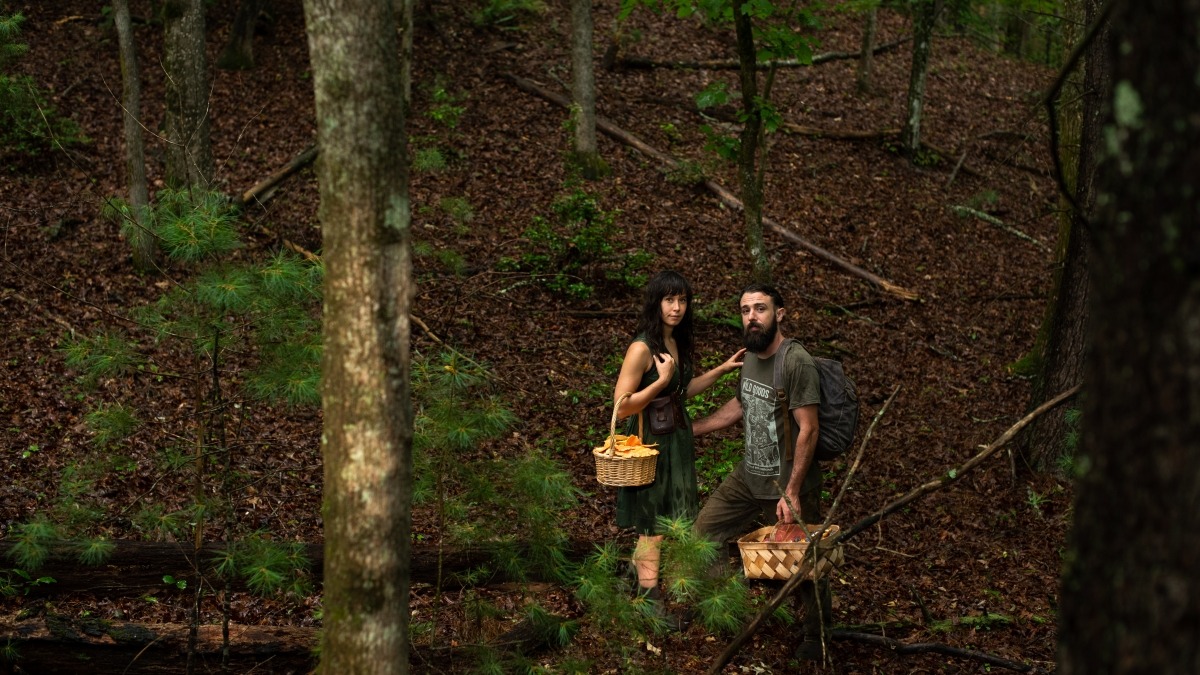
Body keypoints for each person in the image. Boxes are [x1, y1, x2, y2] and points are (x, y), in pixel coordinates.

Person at [691, 283, 833, 660]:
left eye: (760, 309)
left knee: (805, 565)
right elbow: (739, 405)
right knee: (703, 535)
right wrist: (692, 429)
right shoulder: (751, 355)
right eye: (745, 310)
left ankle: (816, 635)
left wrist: (794, 491)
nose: (751, 317)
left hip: (786, 483)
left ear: (779, 313)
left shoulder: (796, 361)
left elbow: (810, 428)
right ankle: (733, 610)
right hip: (748, 477)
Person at [612, 270, 744, 627]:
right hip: (650, 443)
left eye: (682, 300)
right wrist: (661, 382)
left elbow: (681, 393)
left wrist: (722, 370)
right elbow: (621, 405)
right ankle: (648, 601)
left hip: (677, 441)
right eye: (669, 300)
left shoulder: (675, 343)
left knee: (674, 521)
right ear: (656, 303)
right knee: (651, 524)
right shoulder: (642, 348)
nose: (676, 307)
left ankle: (641, 581)